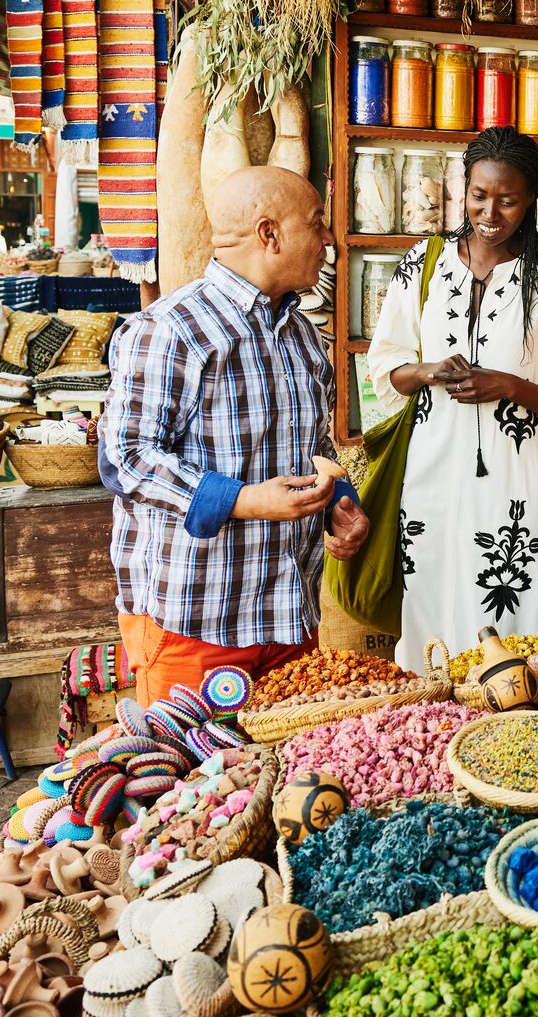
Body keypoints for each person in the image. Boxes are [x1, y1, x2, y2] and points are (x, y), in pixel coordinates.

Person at [101, 167, 369, 705]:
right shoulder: (171, 328)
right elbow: (126, 459)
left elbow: (312, 449)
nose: (327, 240)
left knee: (283, 780)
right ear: (269, 234)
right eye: (317, 224)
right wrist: (244, 501)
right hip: (196, 622)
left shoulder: (301, 335)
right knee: (190, 784)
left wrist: (339, 502)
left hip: (288, 617)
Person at [365, 127, 538, 662]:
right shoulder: (424, 263)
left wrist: (508, 385)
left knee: (516, 625)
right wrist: (424, 370)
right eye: (478, 196)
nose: (490, 213)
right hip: (431, 479)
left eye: (508, 200)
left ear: (533, 198)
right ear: (462, 189)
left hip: (517, 481)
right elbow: (385, 372)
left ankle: (510, 725)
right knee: (431, 615)